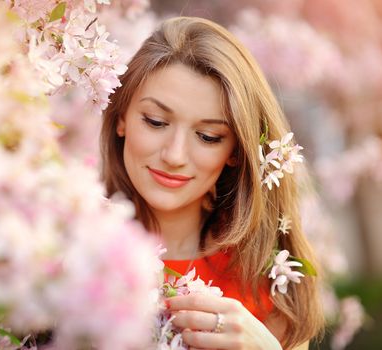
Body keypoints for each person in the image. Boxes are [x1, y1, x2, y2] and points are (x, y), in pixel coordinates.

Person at [100, 17, 324, 350]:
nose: (174, 155)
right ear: (121, 118)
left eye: (208, 137)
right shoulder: (65, 247)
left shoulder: (268, 283)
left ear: (235, 150)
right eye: (156, 121)